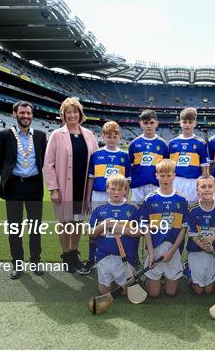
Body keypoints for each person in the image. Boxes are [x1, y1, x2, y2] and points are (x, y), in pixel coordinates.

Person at [44, 97, 98, 275]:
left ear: (80, 114)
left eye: (75, 111)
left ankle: (74, 254)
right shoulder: (57, 135)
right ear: (63, 115)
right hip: (63, 187)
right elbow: (48, 164)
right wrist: (53, 188)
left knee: (77, 222)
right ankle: (66, 255)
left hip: (82, 187)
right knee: (64, 222)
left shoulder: (89, 134)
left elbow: (96, 162)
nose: (72, 115)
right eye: (69, 112)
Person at [0, 101, 47, 279]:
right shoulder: (4, 134)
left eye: (29, 113)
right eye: (22, 113)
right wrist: (9, 178)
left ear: (32, 116)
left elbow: (44, 160)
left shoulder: (40, 135)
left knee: (35, 227)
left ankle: (36, 261)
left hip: (34, 185)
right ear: (15, 114)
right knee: (14, 228)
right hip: (14, 185)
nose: (26, 116)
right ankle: (17, 263)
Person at [84, 120, 131, 271]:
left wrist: (127, 199)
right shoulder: (96, 155)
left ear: (119, 137)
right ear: (103, 136)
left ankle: (118, 256)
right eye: (108, 136)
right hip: (98, 195)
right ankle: (92, 259)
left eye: (114, 136)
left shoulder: (124, 156)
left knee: (116, 226)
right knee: (96, 228)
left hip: (118, 197)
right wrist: (88, 198)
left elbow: (127, 181)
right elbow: (91, 178)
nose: (112, 139)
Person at [141, 159, 188, 297]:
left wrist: (172, 252)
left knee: (170, 293)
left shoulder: (181, 199)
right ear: (156, 176)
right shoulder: (149, 199)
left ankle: (171, 274)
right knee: (154, 294)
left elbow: (183, 229)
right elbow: (146, 229)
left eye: (168, 175)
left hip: (173, 250)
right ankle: (153, 278)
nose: (165, 179)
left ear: (174, 175)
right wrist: (151, 254)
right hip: (155, 249)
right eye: (162, 175)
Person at [87, 174, 141, 295]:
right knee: (104, 292)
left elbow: (139, 232)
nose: (116, 192)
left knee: (124, 293)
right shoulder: (99, 209)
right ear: (107, 188)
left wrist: (120, 228)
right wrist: (104, 225)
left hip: (125, 258)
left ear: (125, 190)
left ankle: (130, 276)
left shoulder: (133, 208)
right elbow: (90, 234)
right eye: (113, 189)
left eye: (120, 189)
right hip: (104, 256)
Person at [186, 175, 215, 295]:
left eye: (210, 186)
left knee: (208, 291)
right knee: (198, 291)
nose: (207, 189)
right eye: (203, 186)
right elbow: (193, 235)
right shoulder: (191, 209)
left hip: (213, 250)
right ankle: (188, 269)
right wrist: (203, 246)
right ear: (197, 190)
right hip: (196, 251)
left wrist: (211, 240)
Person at [169, 107, 209, 202]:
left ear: (195, 123)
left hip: (193, 181)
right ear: (180, 123)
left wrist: (203, 186)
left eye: (190, 122)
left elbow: (204, 168)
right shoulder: (172, 143)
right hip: (176, 180)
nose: (187, 125)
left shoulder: (201, 143)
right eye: (184, 122)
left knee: (192, 209)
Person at [128, 110, 169, 203]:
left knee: (154, 215)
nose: (149, 125)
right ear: (141, 124)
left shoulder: (162, 144)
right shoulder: (134, 144)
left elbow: (166, 168)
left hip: (155, 185)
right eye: (145, 123)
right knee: (137, 214)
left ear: (157, 123)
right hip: (137, 185)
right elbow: (129, 167)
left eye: (151, 122)